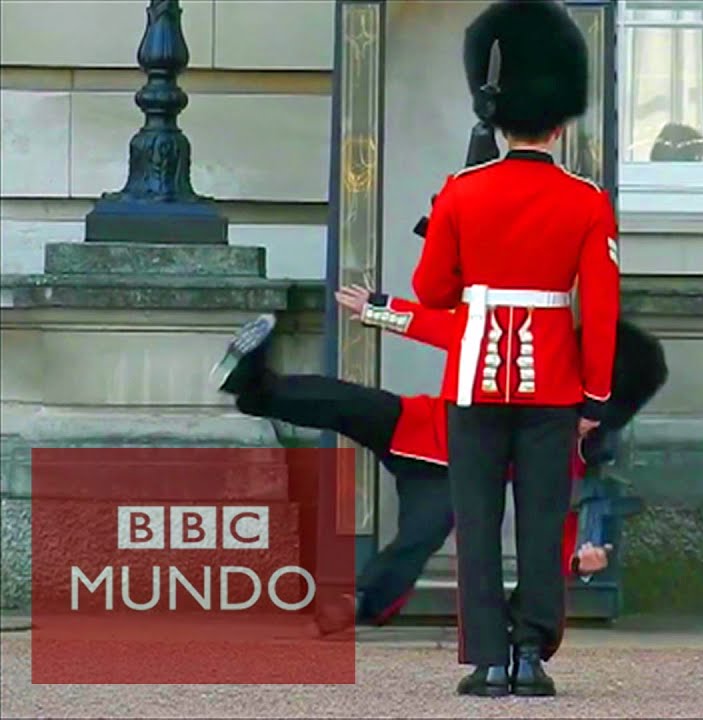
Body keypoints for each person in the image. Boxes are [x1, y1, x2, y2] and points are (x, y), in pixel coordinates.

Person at [209, 286, 661, 639]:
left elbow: (560, 520)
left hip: (452, 476)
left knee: (421, 534)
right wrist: (379, 310)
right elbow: (453, 331)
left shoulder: (576, 452)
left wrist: (579, 562)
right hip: (416, 423)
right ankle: (253, 386)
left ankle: (360, 603)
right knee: (342, 401)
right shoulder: (531, 365)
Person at [412, 0, 620, 697]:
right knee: (540, 522)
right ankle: (531, 654)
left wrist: (448, 227)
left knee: (477, 523)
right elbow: (601, 309)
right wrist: (595, 396)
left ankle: (489, 661)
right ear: (559, 122)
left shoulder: (462, 191)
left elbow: (430, 290)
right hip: (554, 383)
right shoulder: (586, 200)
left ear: (497, 120)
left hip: (473, 379)